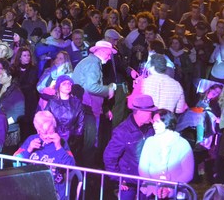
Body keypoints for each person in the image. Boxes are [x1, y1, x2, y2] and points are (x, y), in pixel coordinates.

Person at [71, 39, 116, 167]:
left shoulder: (90, 62)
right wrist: (108, 90)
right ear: (101, 51)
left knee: (86, 142)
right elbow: (91, 87)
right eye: (108, 54)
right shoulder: (93, 64)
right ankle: (87, 174)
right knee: (89, 144)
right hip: (87, 109)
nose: (109, 57)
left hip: (86, 107)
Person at [103, 93, 156, 200]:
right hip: (129, 183)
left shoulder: (152, 128)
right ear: (140, 112)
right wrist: (118, 178)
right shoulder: (122, 132)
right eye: (149, 112)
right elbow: (109, 157)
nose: (152, 115)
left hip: (147, 181)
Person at [15, 110, 75, 200]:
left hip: (55, 191)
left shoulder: (60, 141)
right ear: (38, 131)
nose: (47, 136)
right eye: (44, 133)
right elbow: (15, 161)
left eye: (51, 132)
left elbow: (71, 166)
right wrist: (29, 150)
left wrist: (58, 147)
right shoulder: (31, 140)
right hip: (32, 189)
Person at [138, 109, 194, 199]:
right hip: (152, 193)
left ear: (167, 122)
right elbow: (143, 168)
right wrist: (154, 187)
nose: (154, 124)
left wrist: (170, 188)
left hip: (176, 194)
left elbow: (188, 172)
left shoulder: (183, 144)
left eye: (158, 122)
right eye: (153, 121)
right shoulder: (150, 142)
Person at [44, 75, 84, 155]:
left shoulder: (77, 103)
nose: (68, 85)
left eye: (69, 83)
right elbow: (45, 120)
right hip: (53, 139)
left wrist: (74, 138)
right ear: (58, 87)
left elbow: (81, 123)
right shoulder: (52, 103)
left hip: (71, 140)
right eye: (64, 83)